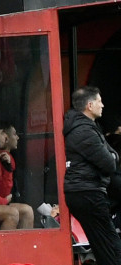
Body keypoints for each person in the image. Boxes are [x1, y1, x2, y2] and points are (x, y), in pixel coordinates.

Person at [66, 86, 121, 265]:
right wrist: (112, 156)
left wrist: (112, 156)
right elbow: (109, 163)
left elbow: (113, 155)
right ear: (89, 105)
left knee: (104, 245)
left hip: (88, 191)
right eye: (99, 101)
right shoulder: (83, 130)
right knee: (112, 246)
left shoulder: (89, 127)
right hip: (87, 192)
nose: (103, 105)